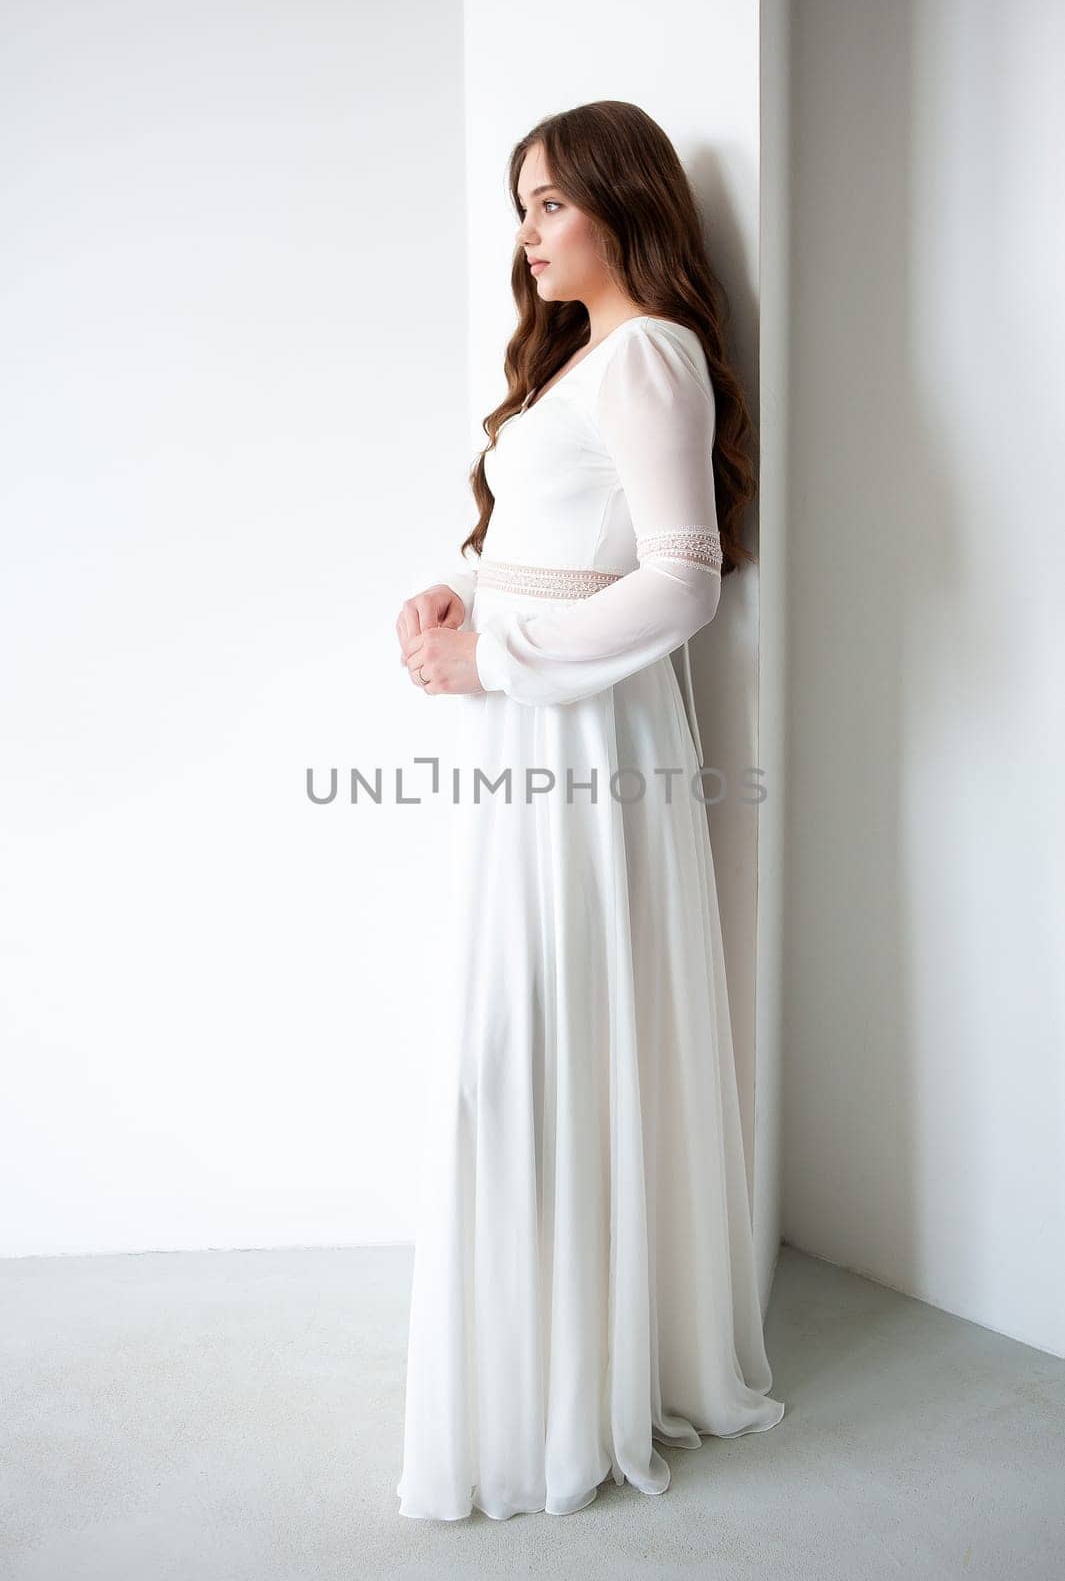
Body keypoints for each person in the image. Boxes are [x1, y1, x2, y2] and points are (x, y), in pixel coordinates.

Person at [393, 99, 784, 1523]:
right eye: (522, 205)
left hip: (580, 744)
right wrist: (461, 588)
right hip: (518, 743)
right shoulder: (573, 370)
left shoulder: (650, 357)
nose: (528, 231)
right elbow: (557, 540)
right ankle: (533, 1362)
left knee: (524, 1053)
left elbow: (681, 578)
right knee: (503, 1051)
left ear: (623, 203)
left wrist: (495, 654)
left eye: (550, 201)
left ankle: (574, 1385)